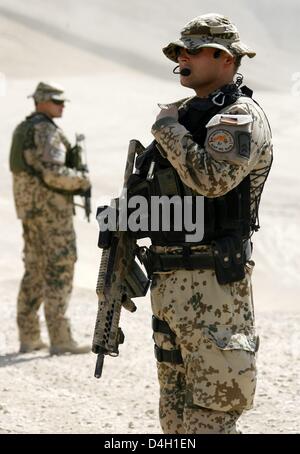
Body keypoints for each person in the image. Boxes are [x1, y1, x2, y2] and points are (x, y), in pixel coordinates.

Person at [128, 14, 273, 433]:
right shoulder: (185, 116)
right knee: (174, 421)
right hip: (169, 282)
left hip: (214, 285)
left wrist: (168, 129)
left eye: (194, 50)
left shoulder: (238, 116)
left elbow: (212, 180)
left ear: (225, 59)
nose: (183, 58)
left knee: (211, 417)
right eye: (180, 51)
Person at [10, 81, 91, 355]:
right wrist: (82, 180)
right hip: (50, 213)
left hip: (32, 211)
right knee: (60, 268)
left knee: (34, 269)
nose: (62, 106)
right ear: (41, 102)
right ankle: (60, 338)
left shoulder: (25, 128)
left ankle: (29, 335)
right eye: (56, 101)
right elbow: (53, 174)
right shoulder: (44, 129)